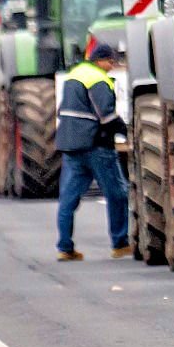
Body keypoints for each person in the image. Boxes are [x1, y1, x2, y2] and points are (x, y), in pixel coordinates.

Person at [54, 42, 130, 261]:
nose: (112, 66)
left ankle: (64, 247)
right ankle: (120, 243)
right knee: (117, 193)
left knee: (68, 199)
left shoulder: (75, 74)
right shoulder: (98, 79)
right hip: (95, 144)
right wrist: (124, 130)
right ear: (102, 61)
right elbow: (105, 115)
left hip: (70, 145)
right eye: (111, 62)